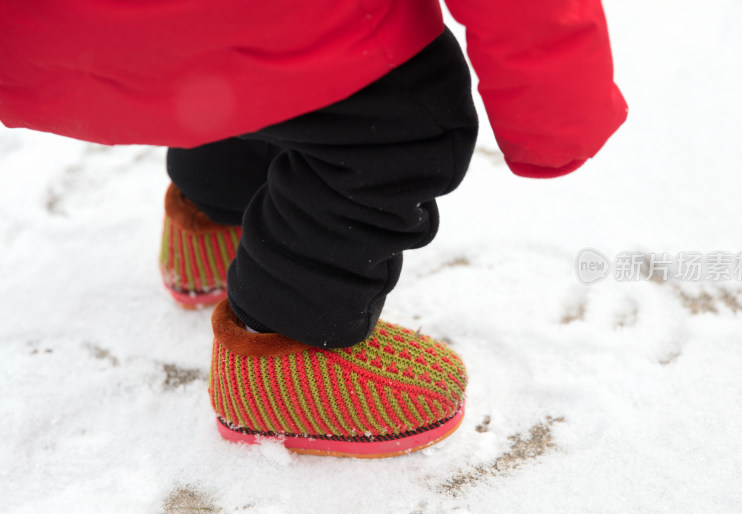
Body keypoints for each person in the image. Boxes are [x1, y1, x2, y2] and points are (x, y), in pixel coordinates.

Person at [0, 0, 627, 457]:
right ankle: (288, 350)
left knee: (221, 73)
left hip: (58, 30)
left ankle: (211, 222)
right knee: (400, 122)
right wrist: (557, 123)